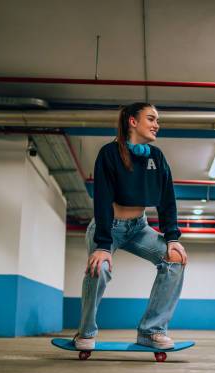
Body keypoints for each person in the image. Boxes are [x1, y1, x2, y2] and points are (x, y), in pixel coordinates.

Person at [75, 102, 188, 351]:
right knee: (99, 267)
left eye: (157, 120)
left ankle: (151, 331)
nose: (157, 124)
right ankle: (85, 332)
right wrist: (103, 245)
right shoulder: (109, 154)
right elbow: (102, 199)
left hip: (139, 228)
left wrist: (172, 239)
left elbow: (167, 199)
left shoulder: (156, 157)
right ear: (132, 122)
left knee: (175, 260)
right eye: (151, 119)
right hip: (108, 226)